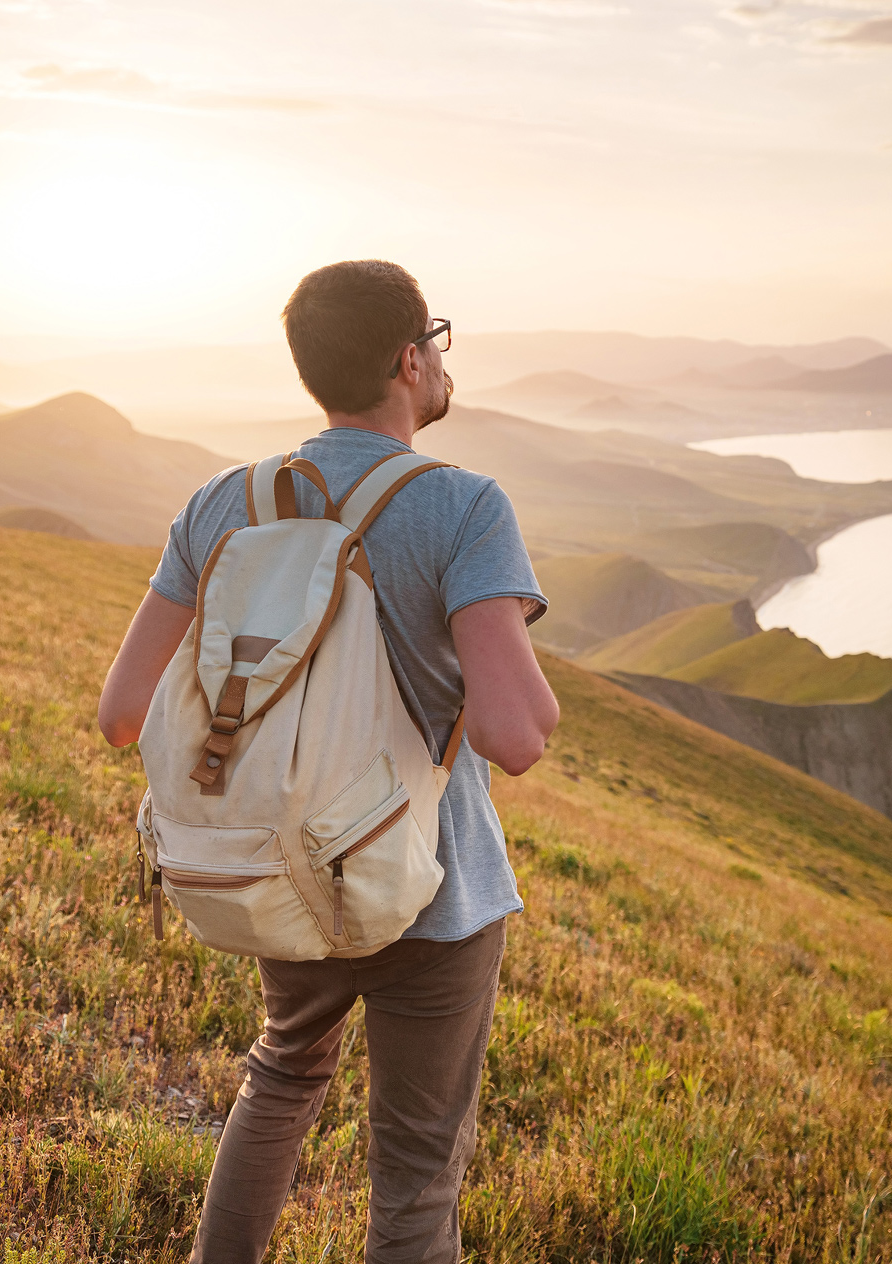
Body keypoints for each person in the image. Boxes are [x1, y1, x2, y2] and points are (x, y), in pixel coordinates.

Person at [97, 259, 559, 1264]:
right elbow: (513, 737)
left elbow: (122, 713)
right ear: (408, 360)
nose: (440, 358)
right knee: (417, 1164)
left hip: (282, 865)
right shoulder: (464, 507)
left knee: (282, 1074)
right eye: (435, 338)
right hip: (434, 895)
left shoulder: (223, 501)